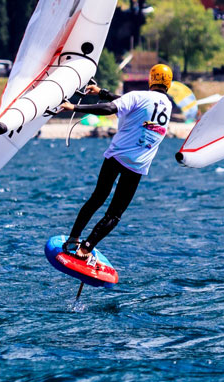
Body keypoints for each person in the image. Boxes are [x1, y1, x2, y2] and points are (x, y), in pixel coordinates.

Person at [57, 64, 175, 260]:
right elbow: (127, 103)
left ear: (150, 79)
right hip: (138, 165)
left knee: (97, 198)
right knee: (114, 215)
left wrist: (74, 107)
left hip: (117, 157)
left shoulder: (138, 95)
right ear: (168, 84)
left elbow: (114, 107)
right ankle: (85, 249)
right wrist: (102, 92)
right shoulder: (167, 105)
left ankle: (73, 239)